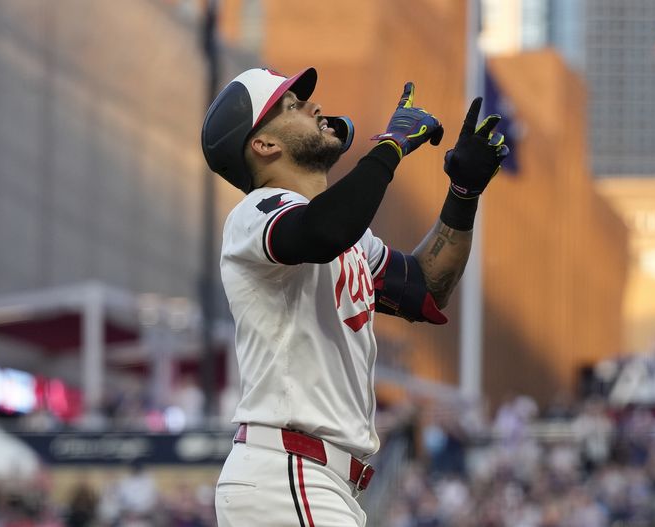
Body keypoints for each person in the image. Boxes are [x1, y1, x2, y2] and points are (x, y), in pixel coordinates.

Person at [201, 66, 507, 526]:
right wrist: (389, 147)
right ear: (264, 145)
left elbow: (425, 287)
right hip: (287, 471)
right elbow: (321, 231)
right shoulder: (257, 211)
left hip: (312, 479)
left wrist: (463, 193)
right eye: (292, 105)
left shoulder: (346, 235)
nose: (314, 106)